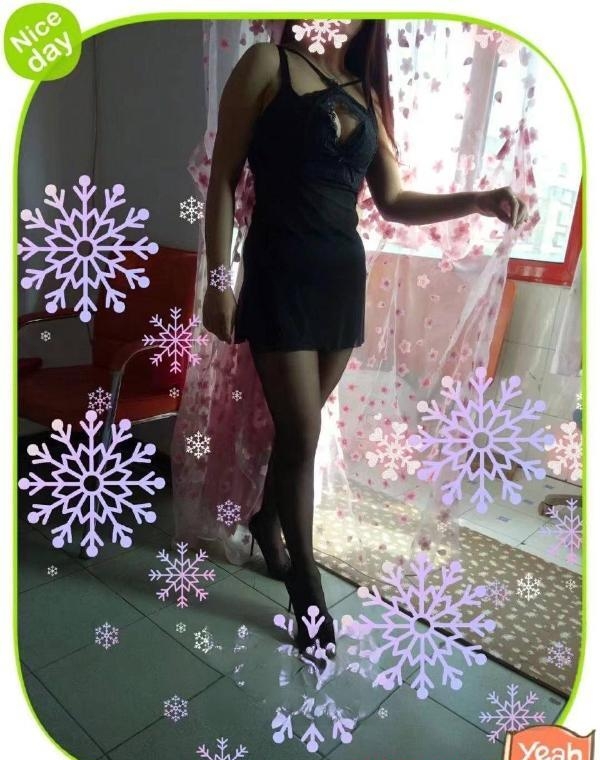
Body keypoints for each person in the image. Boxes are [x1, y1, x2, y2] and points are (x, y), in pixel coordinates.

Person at [200, 19, 528, 657]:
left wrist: (479, 199)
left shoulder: (366, 94)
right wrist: (219, 280)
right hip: (278, 274)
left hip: (341, 282)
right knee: (302, 431)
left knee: (300, 431)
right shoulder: (267, 64)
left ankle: (267, 520)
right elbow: (222, 179)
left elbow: (394, 200)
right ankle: (307, 587)